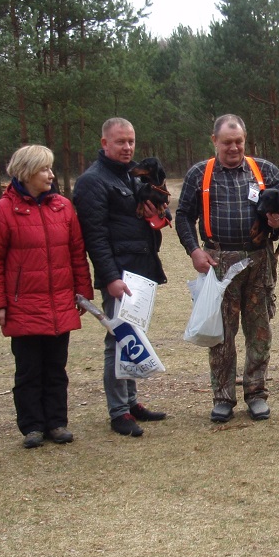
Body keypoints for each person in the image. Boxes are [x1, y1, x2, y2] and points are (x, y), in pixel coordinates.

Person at [175, 114, 279, 423]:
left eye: (239, 141)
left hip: (259, 259)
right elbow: (184, 215)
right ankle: (223, 398)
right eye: (227, 142)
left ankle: (256, 394)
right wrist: (194, 250)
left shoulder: (264, 169)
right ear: (214, 141)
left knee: (259, 331)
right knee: (221, 334)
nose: (233, 148)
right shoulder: (199, 174)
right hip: (218, 262)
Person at [0, 144, 94, 448]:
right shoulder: (2, 211)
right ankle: (32, 427)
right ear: (27, 172)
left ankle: (57, 423)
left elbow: (77, 253)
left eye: (50, 168)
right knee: (29, 370)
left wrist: (83, 292)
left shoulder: (64, 207)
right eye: (44, 169)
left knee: (56, 368)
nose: (51, 174)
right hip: (23, 306)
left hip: (59, 303)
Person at [74, 117, 168, 438]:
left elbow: (155, 213)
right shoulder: (92, 181)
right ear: (104, 143)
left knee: (134, 337)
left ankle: (131, 401)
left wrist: (158, 214)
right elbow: (95, 236)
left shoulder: (133, 175)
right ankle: (118, 412)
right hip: (119, 275)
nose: (127, 147)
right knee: (118, 340)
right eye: (120, 142)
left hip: (141, 269)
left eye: (131, 141)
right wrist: (111, 277)